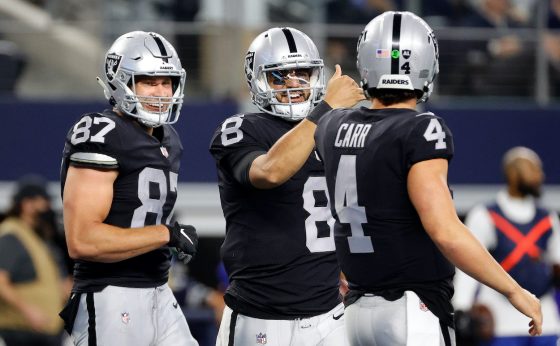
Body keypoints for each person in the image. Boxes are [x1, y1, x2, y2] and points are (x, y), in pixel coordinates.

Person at [312, 11, 543, 345]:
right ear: (425, 63)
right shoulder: (420, 129)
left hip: (355, 312)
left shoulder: (332, 125)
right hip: (410, 310)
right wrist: (514, 290)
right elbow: (445, 231)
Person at [209, 27, 364, 345]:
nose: (294, 83)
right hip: (261, 317)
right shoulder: (241, 128)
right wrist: (327, 109)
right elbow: (271, 171)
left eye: (302, 73)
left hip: (329, 313)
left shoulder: (335, 129)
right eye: (280, 76)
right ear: (258, 80)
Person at [59, 31, 199, 346]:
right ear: (121, 82)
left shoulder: (169, 139)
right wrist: (166, 235)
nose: (162, 92)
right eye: (149, 81)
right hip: (110, 293)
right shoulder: (101, 133)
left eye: (168, 82)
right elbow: (82, 240)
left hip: (158, 288)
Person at [454, 146, 560, 346]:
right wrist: (461, 306)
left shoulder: (548, 219)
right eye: (532, 169)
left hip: (546, 320)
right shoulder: (485, 215)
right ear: (513, 173)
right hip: (500, 321)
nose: (540, 175)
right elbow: (468, 263)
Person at [0, 176, 67, 346]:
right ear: (26, 204)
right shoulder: (11, 235)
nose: (48, 207)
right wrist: (28, 310)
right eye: (43, 201)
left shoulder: (35, 237)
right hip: (22, 331)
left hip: (42, 331)